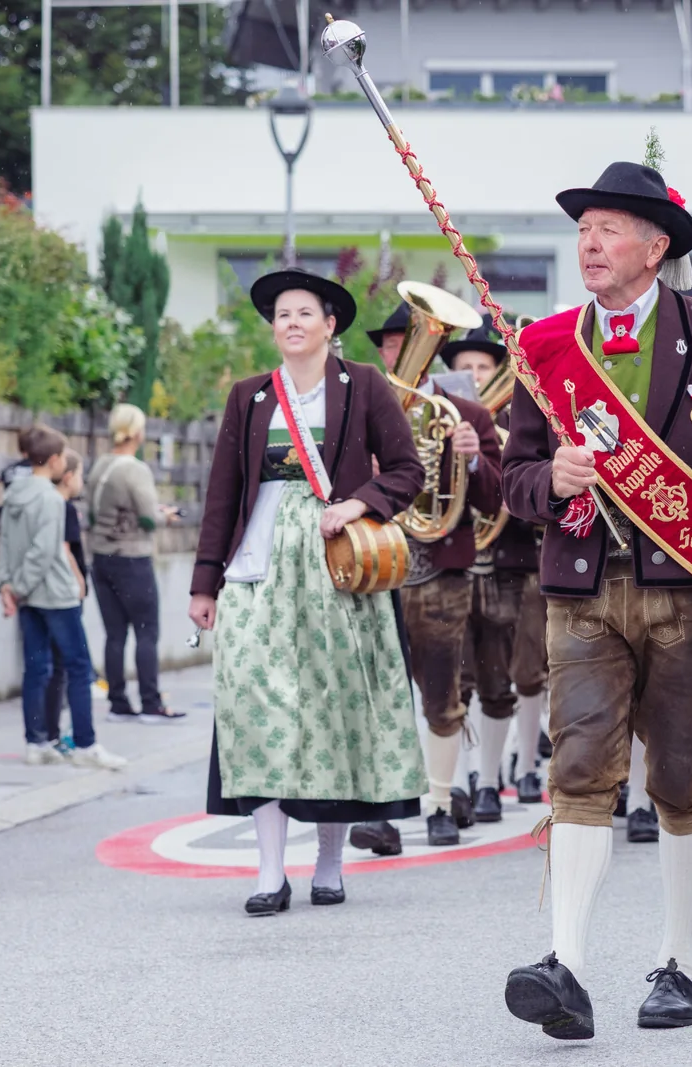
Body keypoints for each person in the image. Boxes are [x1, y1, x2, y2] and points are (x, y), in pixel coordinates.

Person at [501, 161, 692, 1038]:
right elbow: (510, 476)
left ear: (656, 246)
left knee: (678, 780)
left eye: (608, 229)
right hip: (583, 590)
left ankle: (678, 962)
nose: (589, 243)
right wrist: (547, 480)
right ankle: (567, 966)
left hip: (686, 593)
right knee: (580, 768)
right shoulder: (547, 346)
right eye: (582, 228)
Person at [190, 268, 428, 915]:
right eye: (281, 315)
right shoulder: (249, 396)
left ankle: (329, 862)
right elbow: (223, 495)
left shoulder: (365, 386)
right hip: (257, 572)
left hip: (336, 572)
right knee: (253, 709)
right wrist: (204, 581)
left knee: (334, 712)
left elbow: (408, 469)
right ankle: (269, 871)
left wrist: (358, 504)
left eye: (304, 313)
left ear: (330, 326)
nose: (291, 323)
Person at [353, 304, 504, 849]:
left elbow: (493, 499)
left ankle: (441, 800)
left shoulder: (465, 413)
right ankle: (383, 811)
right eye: (391, 345)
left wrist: (472, 459)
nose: (398, 353)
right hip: (374, 567)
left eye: (407, 341)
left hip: (439, 569)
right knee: (381, 696)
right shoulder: (359, 414)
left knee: (441, 695)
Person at [448, 324, 551, 821]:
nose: (473, 376)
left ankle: (523, 766)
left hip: (515, 564)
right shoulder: (441, 422)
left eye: (482, 367)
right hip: (458, 564)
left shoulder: (516, 418)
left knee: (525, 672)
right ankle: (473, 778)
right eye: (463, 368)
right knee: (460, 679)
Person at [0, 425, 127, 772]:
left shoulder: (13, 494)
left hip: (28, 597)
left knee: (36, 668)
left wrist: (7, 586)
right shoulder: (52, 499)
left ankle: (35, 743)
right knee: (79, 668)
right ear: (54, 460)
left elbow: (6, 544)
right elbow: (44, 551)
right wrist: (19, 586)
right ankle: (85, 744)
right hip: (55, 594)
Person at [87, 404, 183, 722]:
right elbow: (147, 515)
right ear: (138, 433)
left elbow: (91, 514)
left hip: (101, 557)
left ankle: (118, 702)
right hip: (132, 558)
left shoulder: (100, 465)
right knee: (146, 630)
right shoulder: (135, 469)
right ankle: (151, 703)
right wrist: (165, 515)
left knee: (115, 634)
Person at [43, 448, 92, 750]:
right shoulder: (65, 508)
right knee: (70, 665)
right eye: (82, 474)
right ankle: (69, 735)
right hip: (64, 594)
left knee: (50, 665)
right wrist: (79, 580)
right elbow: (64, 547)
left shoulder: (47, 504)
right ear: (70, 476)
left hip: (47, 593)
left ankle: (47, 732)